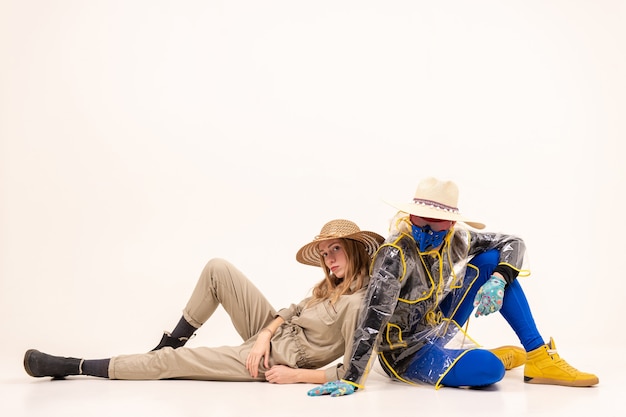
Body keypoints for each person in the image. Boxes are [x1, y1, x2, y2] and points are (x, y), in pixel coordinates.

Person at [308, 177, 598, 397]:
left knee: (491, 260)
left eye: (436, 224)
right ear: (410, 217)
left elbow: (514, 242)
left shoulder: (457, 240)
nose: (426, 231)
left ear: (450, 224)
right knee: (491, 370)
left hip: (437, 324)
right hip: (405, 352)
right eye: (419, 221)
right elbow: (373, 318)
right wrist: (352, 377)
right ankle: (491, 357)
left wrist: (498, 279)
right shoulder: (395, 254)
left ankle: (538, 357)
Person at [23, 219, 386, 384]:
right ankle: (171, 340)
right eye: (324, 253)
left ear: (354, 250)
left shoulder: (358, 306)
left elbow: (352, 373)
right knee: (218, 269)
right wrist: (263, 333)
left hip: (276, 359)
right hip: (269, 337)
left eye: (335, 250)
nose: (329, 259)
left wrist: (293, 376)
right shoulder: (330, 287)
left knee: (171, 364)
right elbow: (292, 310)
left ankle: (75, 365)